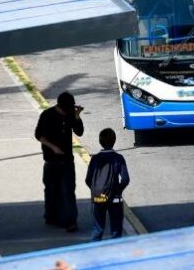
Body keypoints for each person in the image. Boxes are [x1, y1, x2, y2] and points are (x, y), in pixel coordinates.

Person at [35, 91, 84, 231]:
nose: (66, 111)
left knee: (68, 190)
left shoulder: (70, 114)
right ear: (60, 105)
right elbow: (39, 135)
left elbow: (79, 131)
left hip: (67, 160)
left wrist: (77, 115)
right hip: (51, 160)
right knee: (51, 190)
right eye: (66, 109)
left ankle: (70, 221)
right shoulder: (47, 115)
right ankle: (51, 216)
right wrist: (53, 147)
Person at [85, 128, 130, 241]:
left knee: (97, 228)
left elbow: (88, 179)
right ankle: (115, 251)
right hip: (115, 198)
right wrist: (117, 191)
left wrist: (97, 189)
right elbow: (125, 179)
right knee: (116, 228)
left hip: (98, 197)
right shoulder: (118, 158)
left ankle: (95, 251)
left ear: (100, 141)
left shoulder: (95, 159)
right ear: (114, 140)